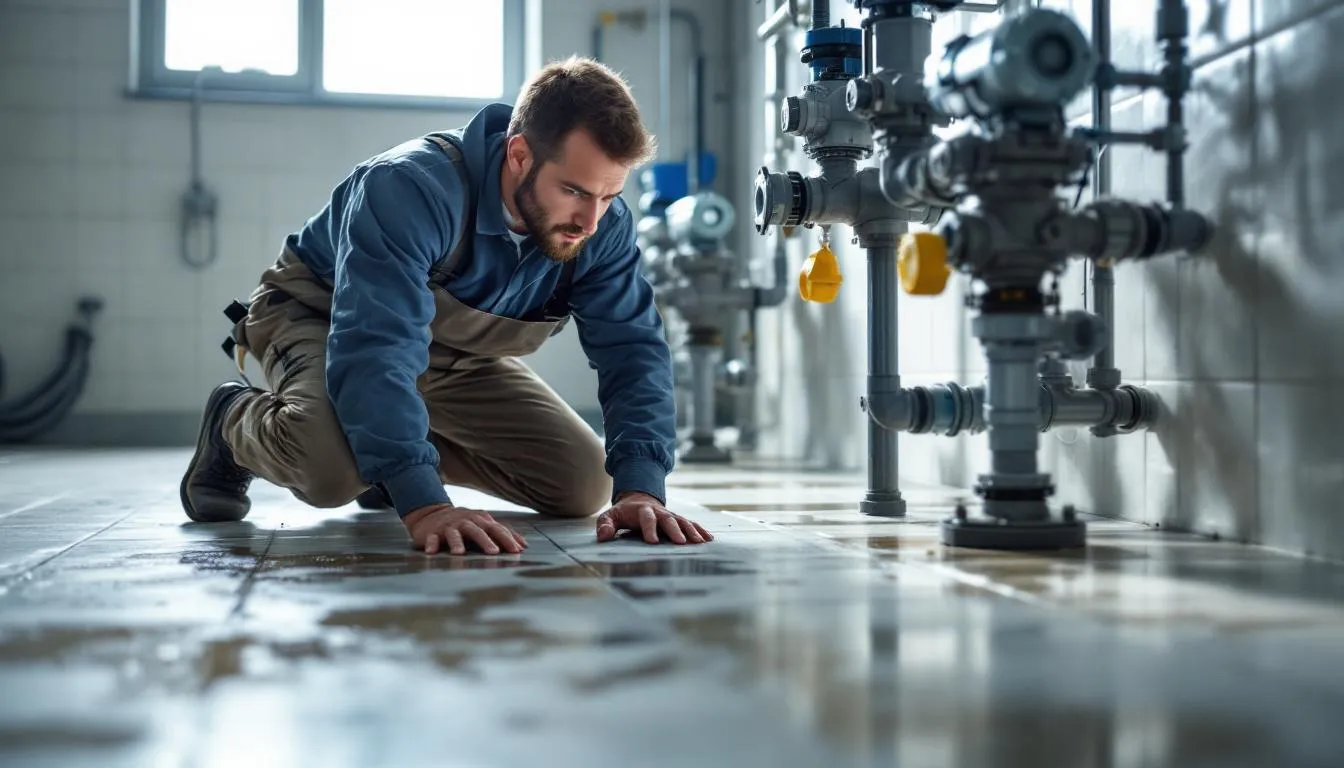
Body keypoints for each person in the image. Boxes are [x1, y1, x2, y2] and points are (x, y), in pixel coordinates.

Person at [179, 56, 714, 555]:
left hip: (448, 356)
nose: (591, 221)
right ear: (520, 154)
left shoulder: (601, 230)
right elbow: (376, 345)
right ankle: (233, 424)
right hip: (321, 319)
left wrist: (642, 490)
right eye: (574, 190)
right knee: (328, 474)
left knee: (581, 484)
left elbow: (632, 351)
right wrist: (424, 501)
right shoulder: (409, 187)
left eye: (609, 196)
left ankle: (384, 455)